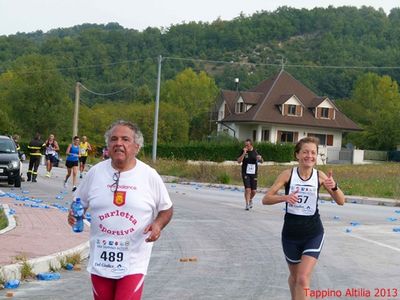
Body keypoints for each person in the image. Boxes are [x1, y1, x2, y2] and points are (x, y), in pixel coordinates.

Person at [67, 120, 173, 300]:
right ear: (108, 146)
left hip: (134, 260)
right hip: (101, 258)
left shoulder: (148, 175)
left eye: (125, 139)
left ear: (136, 146)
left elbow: (166, 209)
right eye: (114, 139)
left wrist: (157, 225)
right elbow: (79, 202)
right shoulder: (95, 173)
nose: (119, 144)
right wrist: (74, 214)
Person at [262, 137, 345, 300]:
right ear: (297, 155)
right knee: (294, 278)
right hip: (290, 235)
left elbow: (341, 201)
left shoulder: (320, 176)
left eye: (313, 152)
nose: (309, 156)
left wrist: (333, 187)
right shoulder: (287, 174)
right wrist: (284, 198)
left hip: (313, 233)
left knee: (302, 278)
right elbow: (266, 199)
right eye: (305, 152)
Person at [237, 139, 263, 210]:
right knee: (248, 189)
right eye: (245, 145)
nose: (246, 146)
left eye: (247, 145)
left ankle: (250, 199)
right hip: (245, 172)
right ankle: (247, 204)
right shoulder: (243, 151)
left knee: (254, 191)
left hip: (253, 173)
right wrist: (243, 153)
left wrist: (260, 159)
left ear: (251, 145)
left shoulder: (256, 151)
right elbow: (239, 161)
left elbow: (262, 161)